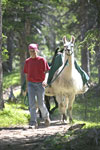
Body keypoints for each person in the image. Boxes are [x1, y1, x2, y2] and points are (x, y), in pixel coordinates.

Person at [24, 43, 50, 129]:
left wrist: (45, 80)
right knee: (31, 104)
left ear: (37, 51)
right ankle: (33, 122)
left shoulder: (42, 60)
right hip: (31, 84)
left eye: (34, 51)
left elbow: (47, 71)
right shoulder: (27, 61)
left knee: (41, 103)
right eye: (31, 51)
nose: (33, 53)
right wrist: (27, 86)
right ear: (29, 51)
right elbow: (26, 74)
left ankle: (46, 117)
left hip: (40, 84)